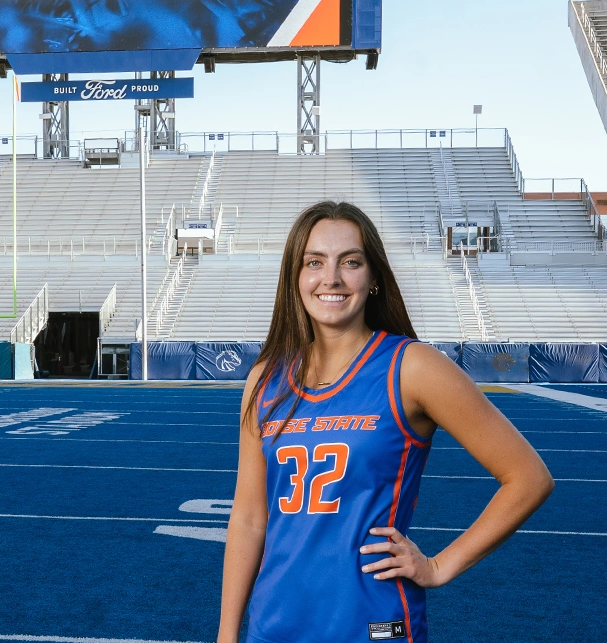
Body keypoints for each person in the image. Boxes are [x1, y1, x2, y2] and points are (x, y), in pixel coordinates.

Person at [218, 201, 553, 643]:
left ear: (373, 277)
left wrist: (439, 566)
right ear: (295, 277)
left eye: (350, 262)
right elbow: (248, 517)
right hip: (274, 624)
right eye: (314, 262)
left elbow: (528, 478)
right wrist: (226, 634)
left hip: (374, 625)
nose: (331, 278)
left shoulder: (412, 367)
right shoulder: (266, 380)